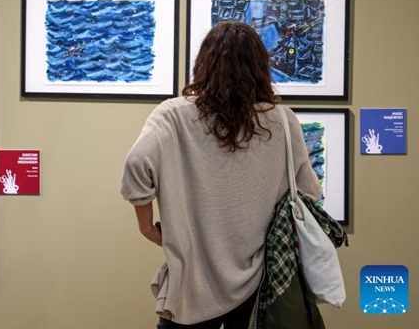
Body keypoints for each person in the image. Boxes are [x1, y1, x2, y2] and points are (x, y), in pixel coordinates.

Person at [120, 21, 322, 329]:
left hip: (192, 284)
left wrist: (148, 228)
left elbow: (136, 162)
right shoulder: (282, 120)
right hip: (260, 283)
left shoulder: (172, 115)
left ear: (204, 63)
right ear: (259, 66)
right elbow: (310, 193)